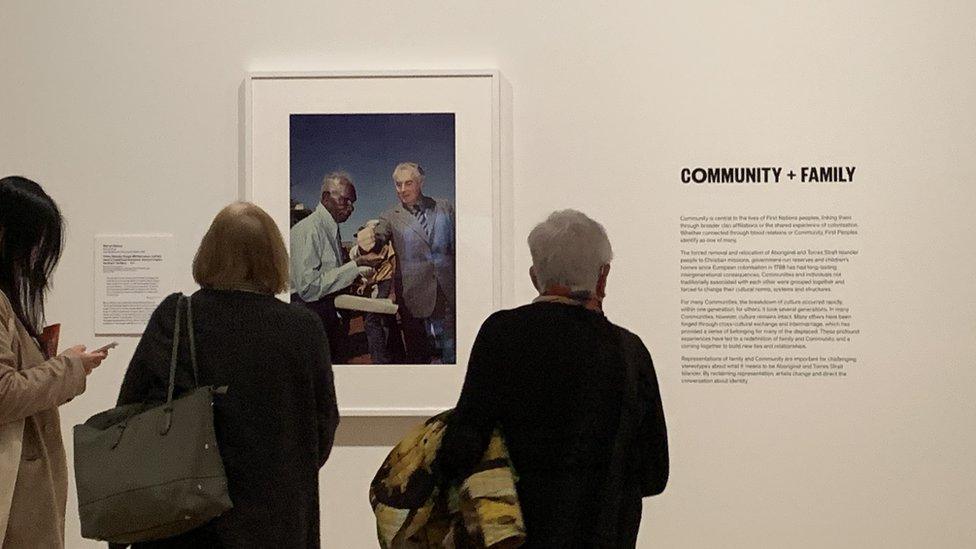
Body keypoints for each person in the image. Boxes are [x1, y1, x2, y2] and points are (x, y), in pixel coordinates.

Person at [438, 210, 669, 548]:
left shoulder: (501, 333)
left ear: (535, 276)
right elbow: (653, 475)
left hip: (515, 539)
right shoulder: (629, 351)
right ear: (602, 277)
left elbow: (462, 448)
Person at [116, 202, 339, 548]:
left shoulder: (176, 318)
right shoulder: (302, 328)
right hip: (275, 522)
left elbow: (131, 415)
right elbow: (323, 428)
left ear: (209, 252)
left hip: (184, 522)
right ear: (274, 257)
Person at [0, 175, 108, 548]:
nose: (36, 256)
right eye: (34, 242)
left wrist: (65, 368)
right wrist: (68, 368)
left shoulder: (7, 303)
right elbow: (3, 394)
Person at [356, 162, 456, 363]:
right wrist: (367, 242)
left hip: (448, 294)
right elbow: (379, 237)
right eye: (398, 184)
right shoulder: (390, 216)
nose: (402, 190)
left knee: (451, 355)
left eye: (408, 183)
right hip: (413, 300)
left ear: (421, 182)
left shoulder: (444, 206)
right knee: (419, 359)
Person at [290, 172, 376, 364]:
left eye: (352, 202)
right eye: (345, 200)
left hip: (326, 316)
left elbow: (327, 274)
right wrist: (355, 267)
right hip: (311, 316)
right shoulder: (309, 230)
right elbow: (308, 287)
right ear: (326, 197)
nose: (351, 207)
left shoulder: (330, 228)